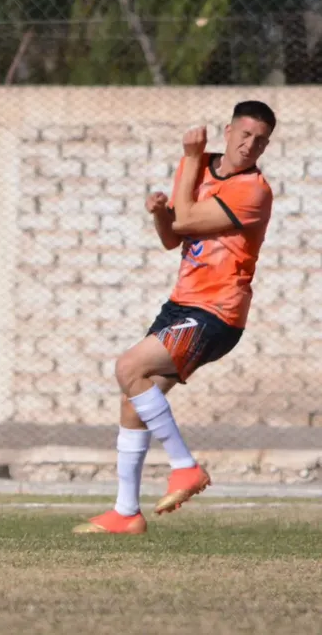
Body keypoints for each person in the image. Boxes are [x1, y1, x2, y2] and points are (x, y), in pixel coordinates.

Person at [73, 100, 276, 535]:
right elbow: (174, 235)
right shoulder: (198, 166)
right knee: (134, 399)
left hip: (217, 311)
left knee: (128, 367)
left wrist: (188, 161)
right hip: (182, 304)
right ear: (228, 131)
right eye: (244, 134)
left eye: (260, 141)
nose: (250, 145)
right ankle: (126, 512)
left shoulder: (253, 190)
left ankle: (185, 466)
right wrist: (159, 215)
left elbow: (187, 216)